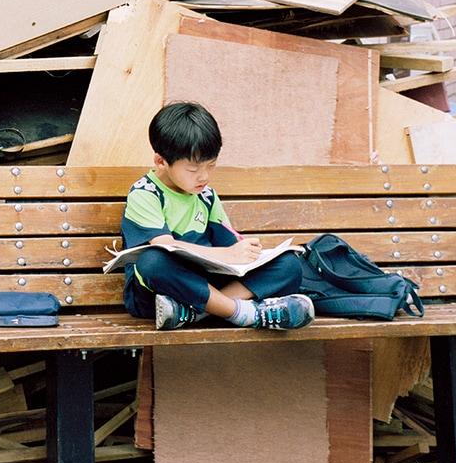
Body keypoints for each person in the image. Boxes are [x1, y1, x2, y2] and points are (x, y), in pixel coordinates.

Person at [121, 100, 315, 331]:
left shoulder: (206, 196)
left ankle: (195, 313)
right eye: (193, 170)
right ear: (161, 161)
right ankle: (245, 313)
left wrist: (248, 253)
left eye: (211, 166)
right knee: (152, 261)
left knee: (289, 266)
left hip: (201, 287)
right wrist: (227, 253)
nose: (204, 177)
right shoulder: (146, 193)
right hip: (158, 292)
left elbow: (230, 246)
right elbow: (166, 247)